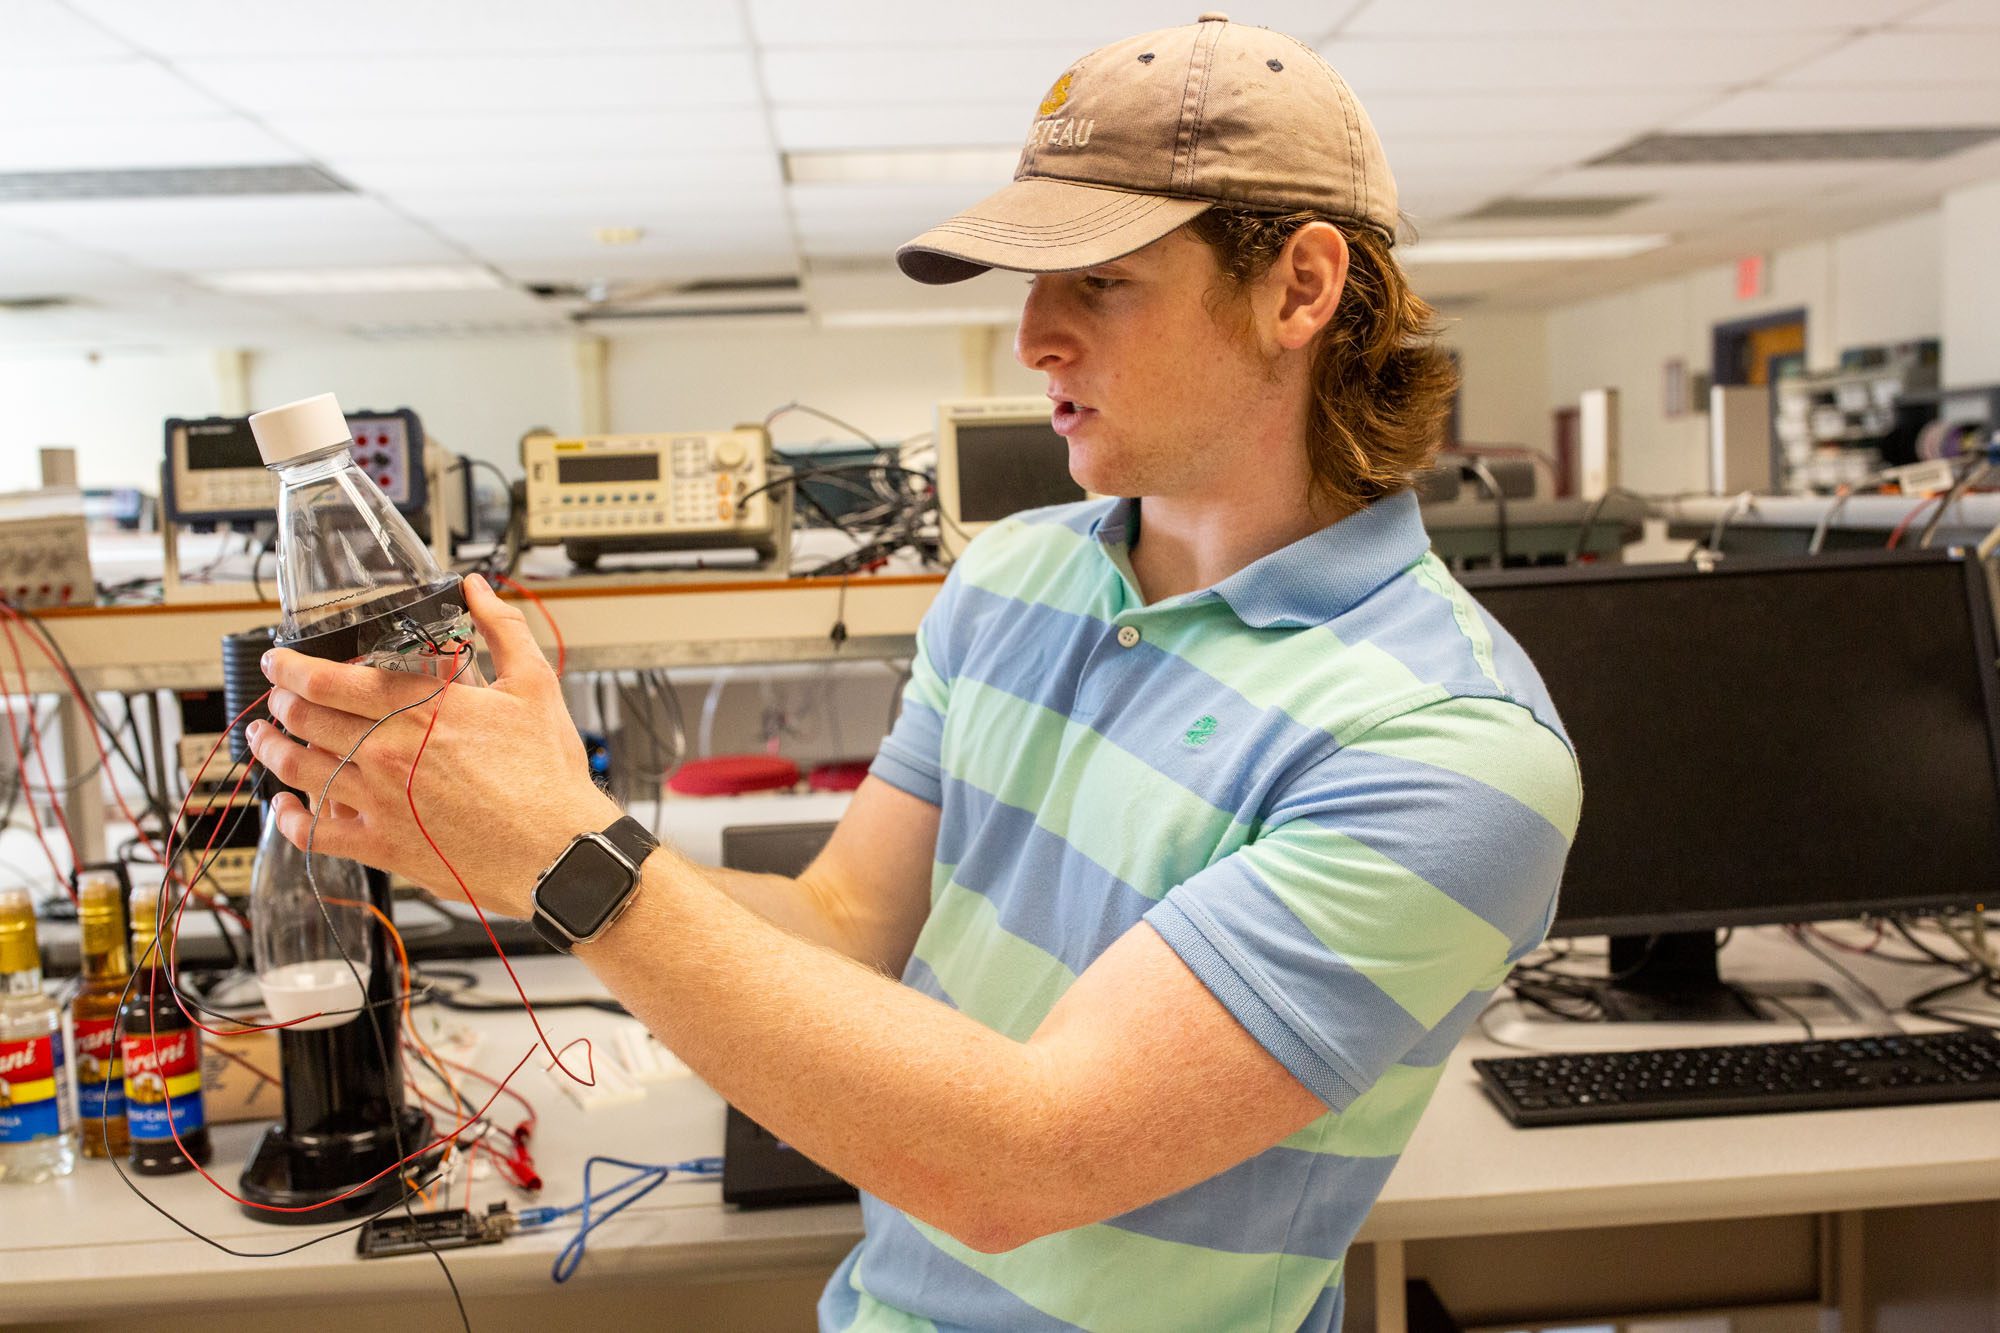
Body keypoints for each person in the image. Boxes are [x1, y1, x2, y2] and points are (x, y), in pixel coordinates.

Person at [248, 14, 1579, 1331]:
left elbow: (1028, 1158)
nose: (1035, 338)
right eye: (1031, 284)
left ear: (1299, 285)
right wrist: (503, 843)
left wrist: (570, 854)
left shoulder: (1450, 745)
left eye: (1101, 280)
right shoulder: (1017, 578)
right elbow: (839, 926)